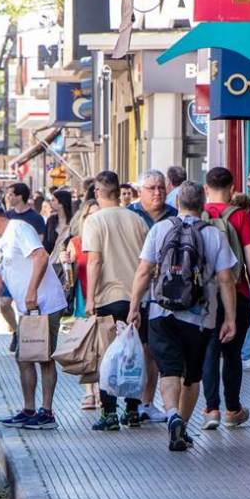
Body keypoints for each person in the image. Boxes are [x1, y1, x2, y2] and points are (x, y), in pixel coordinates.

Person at [128, 183, 237, 451]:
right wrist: (230, 318)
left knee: (169, 370)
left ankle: (172, 415)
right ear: (203, 204)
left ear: (177, 204)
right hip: (200, 317)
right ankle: (183, 428)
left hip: (160, 311)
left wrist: (134, 307)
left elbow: (144, 271)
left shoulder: (160, 229)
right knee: (191, 377)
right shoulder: (213, 234)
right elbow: (226, 279)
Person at [0, 197, 68, 429]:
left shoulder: (19, 229)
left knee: (43, 357)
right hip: (29, 308)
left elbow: (41, 256)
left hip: (45, 303)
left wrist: (32, 290)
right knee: (24, 357)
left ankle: (46, 412)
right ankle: (29, 409)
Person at [200, 166, 250, 429]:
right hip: (236, 293)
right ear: (232, 188)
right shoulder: (239, 216)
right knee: (232, 353)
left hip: (204, 295)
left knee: (209, 352)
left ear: (206, 188)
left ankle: (211, 409)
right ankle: (232, 408)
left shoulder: (199, 215)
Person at [82, 174, 150, 430]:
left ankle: (109, 412)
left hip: (108, 297)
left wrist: (89, 298)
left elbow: (95, 261)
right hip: (136, 297)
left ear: (99, 191)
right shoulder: (137, 219)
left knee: (107, 355)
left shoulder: (94, 221)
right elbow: (147, 261)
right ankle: (132, 410)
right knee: (133, 353)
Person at [127, 170, 178, 421]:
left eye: (160, 187)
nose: (157, 192)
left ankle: (146, 403)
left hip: (163, 294)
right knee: (128, 349)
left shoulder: (174, 216)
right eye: (151, 188)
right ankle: (125, 404)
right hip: (130, 288)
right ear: (140, 191)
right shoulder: (130, 214)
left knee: (152, 350)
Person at [0, 182, 47, 351]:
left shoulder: (35, 218)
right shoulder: (7, 215)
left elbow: (39, 245)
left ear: (20, 196)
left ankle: (28, 338)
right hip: (10, 268)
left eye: (11, 194)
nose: (8, 197)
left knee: (26, 305)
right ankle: (16, 331)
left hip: (28, 270)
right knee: (4, 303)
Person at [43, 189, 75, 310]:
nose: (51, 202)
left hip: (69, 263)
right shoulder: (51, 221)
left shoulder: (73, 221)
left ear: (61, 202)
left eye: (53, 200)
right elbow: (46, 243)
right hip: (53, 263)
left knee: (68, 290)